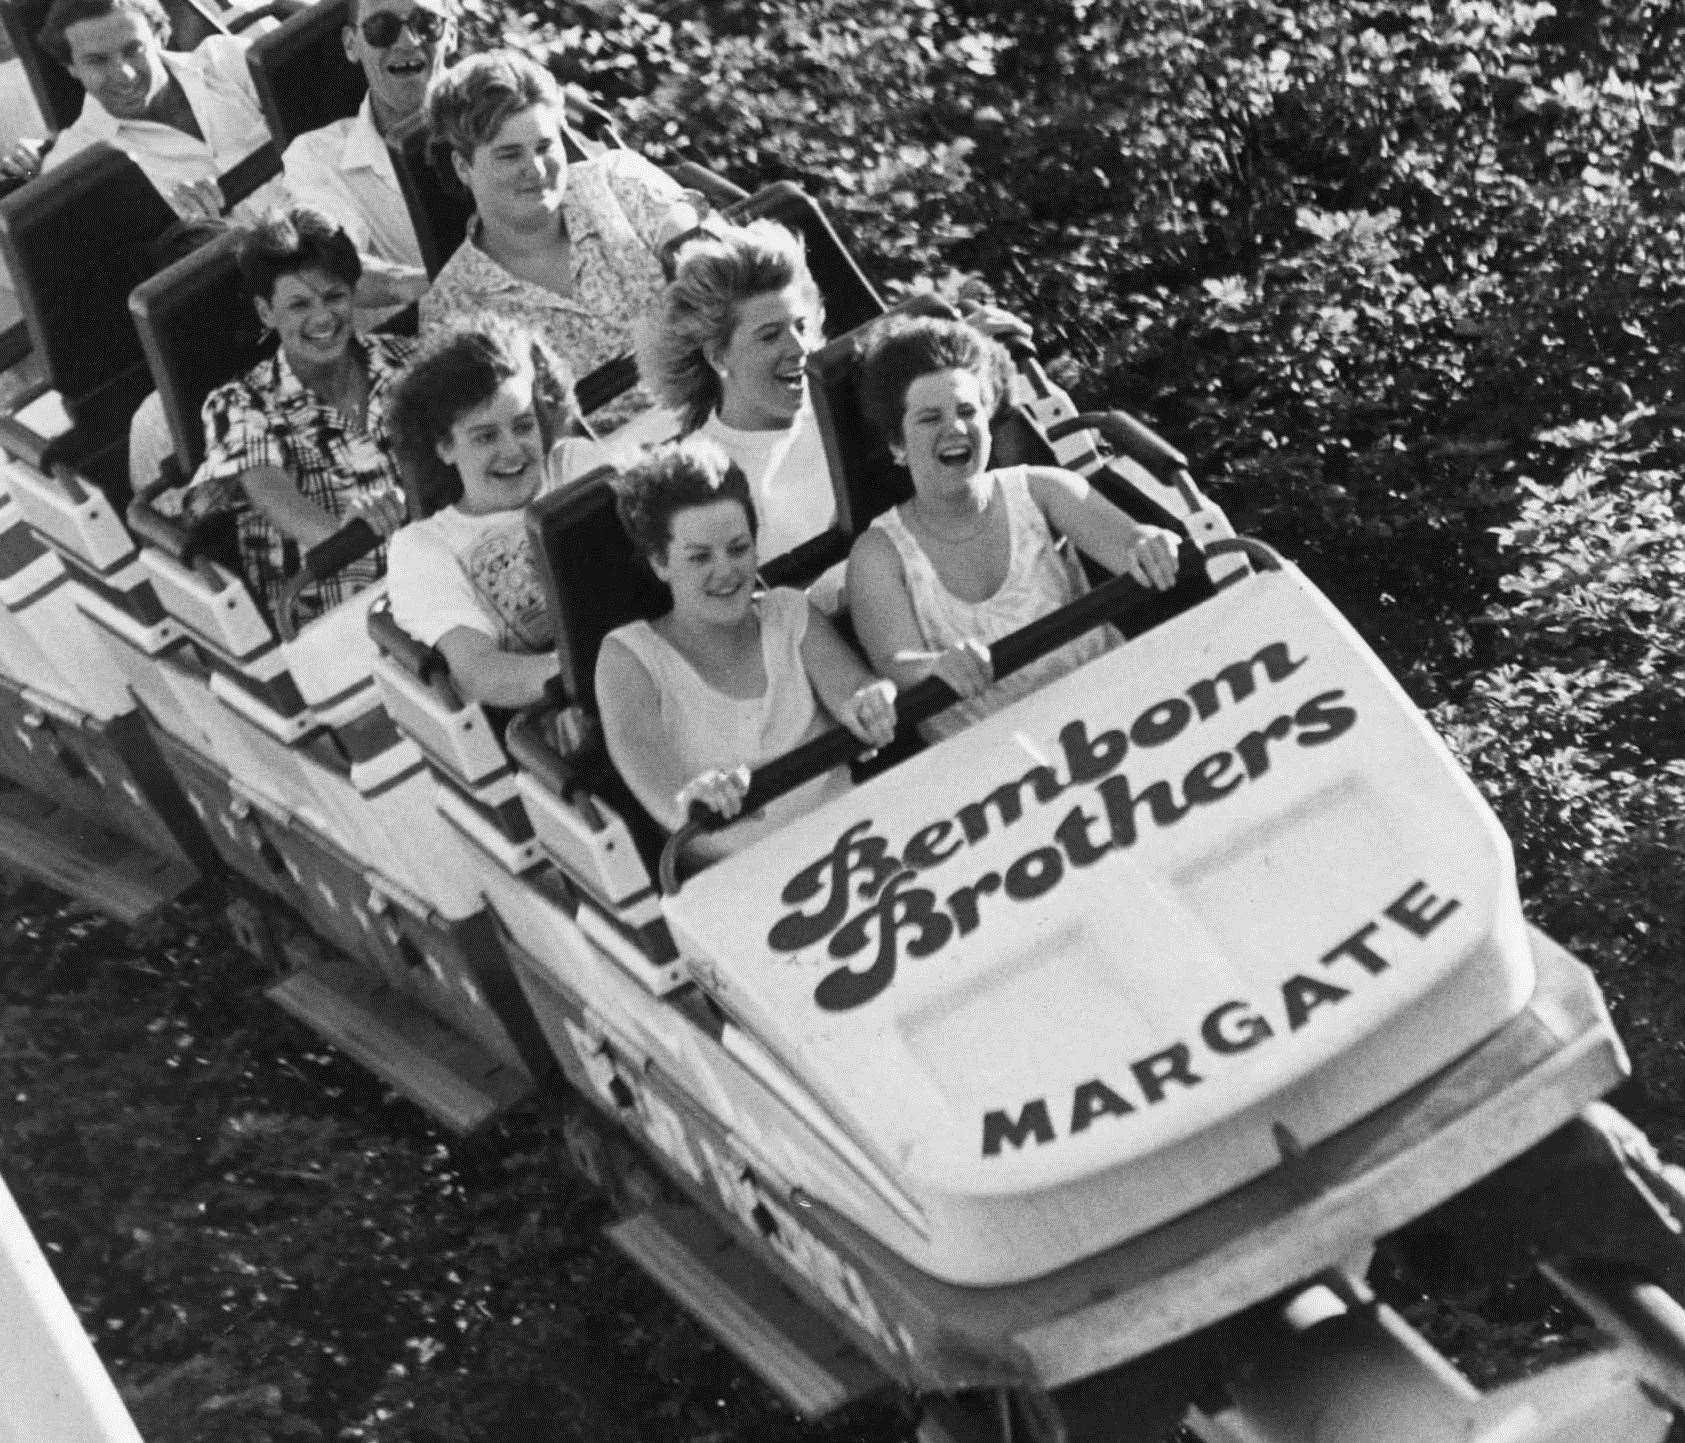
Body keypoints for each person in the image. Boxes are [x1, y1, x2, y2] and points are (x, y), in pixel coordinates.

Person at [847, 315, 1182, 741]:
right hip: (1001, 772)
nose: (954, 428)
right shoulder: (878, 553)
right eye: (929, 419)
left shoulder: (1043, 490)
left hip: (1113, 712)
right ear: (897, 446)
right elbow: (896, 661)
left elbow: (1132, 542)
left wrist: (1151, 546)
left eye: (967, 411)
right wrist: (935, 666)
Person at [596, 440, 896, 862]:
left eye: (738, 548)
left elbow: (852, 687)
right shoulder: (628, 658)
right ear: (661, 564)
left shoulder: (789, 612)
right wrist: (691, 798)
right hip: (741, 885)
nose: (726, 570)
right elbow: (644, 760)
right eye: (700, 558)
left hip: (858, 838)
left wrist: (870, 702)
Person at [418, 50, 701, 431]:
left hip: (711, 400)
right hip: (598, 472)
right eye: (508, 155)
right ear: (463, 166)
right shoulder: (451, 311)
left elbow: (715, 274)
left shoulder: (620, 183)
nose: (534, 170)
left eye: (544, 146)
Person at [180, 206, 411, 622]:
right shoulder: (241, 403)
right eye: (299, 304)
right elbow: (270, 492)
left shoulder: (406, 363)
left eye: (334, 296)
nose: (322, 317)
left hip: (437, 586)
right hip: (333, 620)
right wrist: (344, 532)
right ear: (267, 312)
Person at [383, 318, 604, 709]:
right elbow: (484, 674)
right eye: (485, 436)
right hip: (556, 709)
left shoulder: (574, 467)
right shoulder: (425, 547)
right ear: (445, 447)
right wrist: (606, 670)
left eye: (523, 426)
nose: (512, 450)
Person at [636, 219, 841, 602]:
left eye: (800, 326)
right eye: (769, 336)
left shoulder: (847, 406)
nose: (799, 349)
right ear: (718, 356)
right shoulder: (697, 477)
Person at [27, 0, 289, 219]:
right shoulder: (72, 166)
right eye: (97, 61)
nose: (124, 74)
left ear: (158, 36)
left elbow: (323, 116)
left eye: (133, 50)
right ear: (71, 67)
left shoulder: (228, 60)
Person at [281, 0, 454, 319]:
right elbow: (331, 263)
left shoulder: (504, 102)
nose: (407, 41)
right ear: (351, 45)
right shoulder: (317, 158)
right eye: (381, 29)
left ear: (451, 33)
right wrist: (426, 285)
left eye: (426, 22)